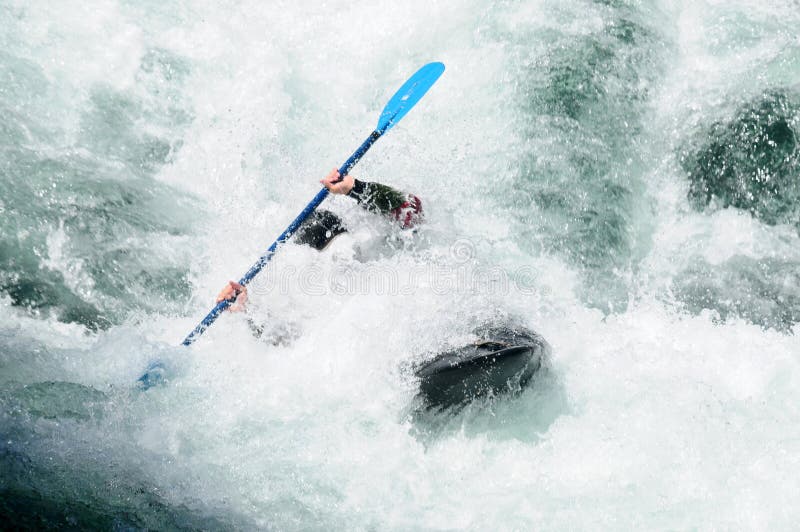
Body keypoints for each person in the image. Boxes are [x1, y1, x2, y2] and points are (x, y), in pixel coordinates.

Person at [216, 168, 422, 308]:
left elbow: (410, 209)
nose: (344, 261)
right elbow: (278, 343)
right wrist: (245, 305)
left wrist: (354, 188)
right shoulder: (308, 299)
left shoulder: (376, 253)